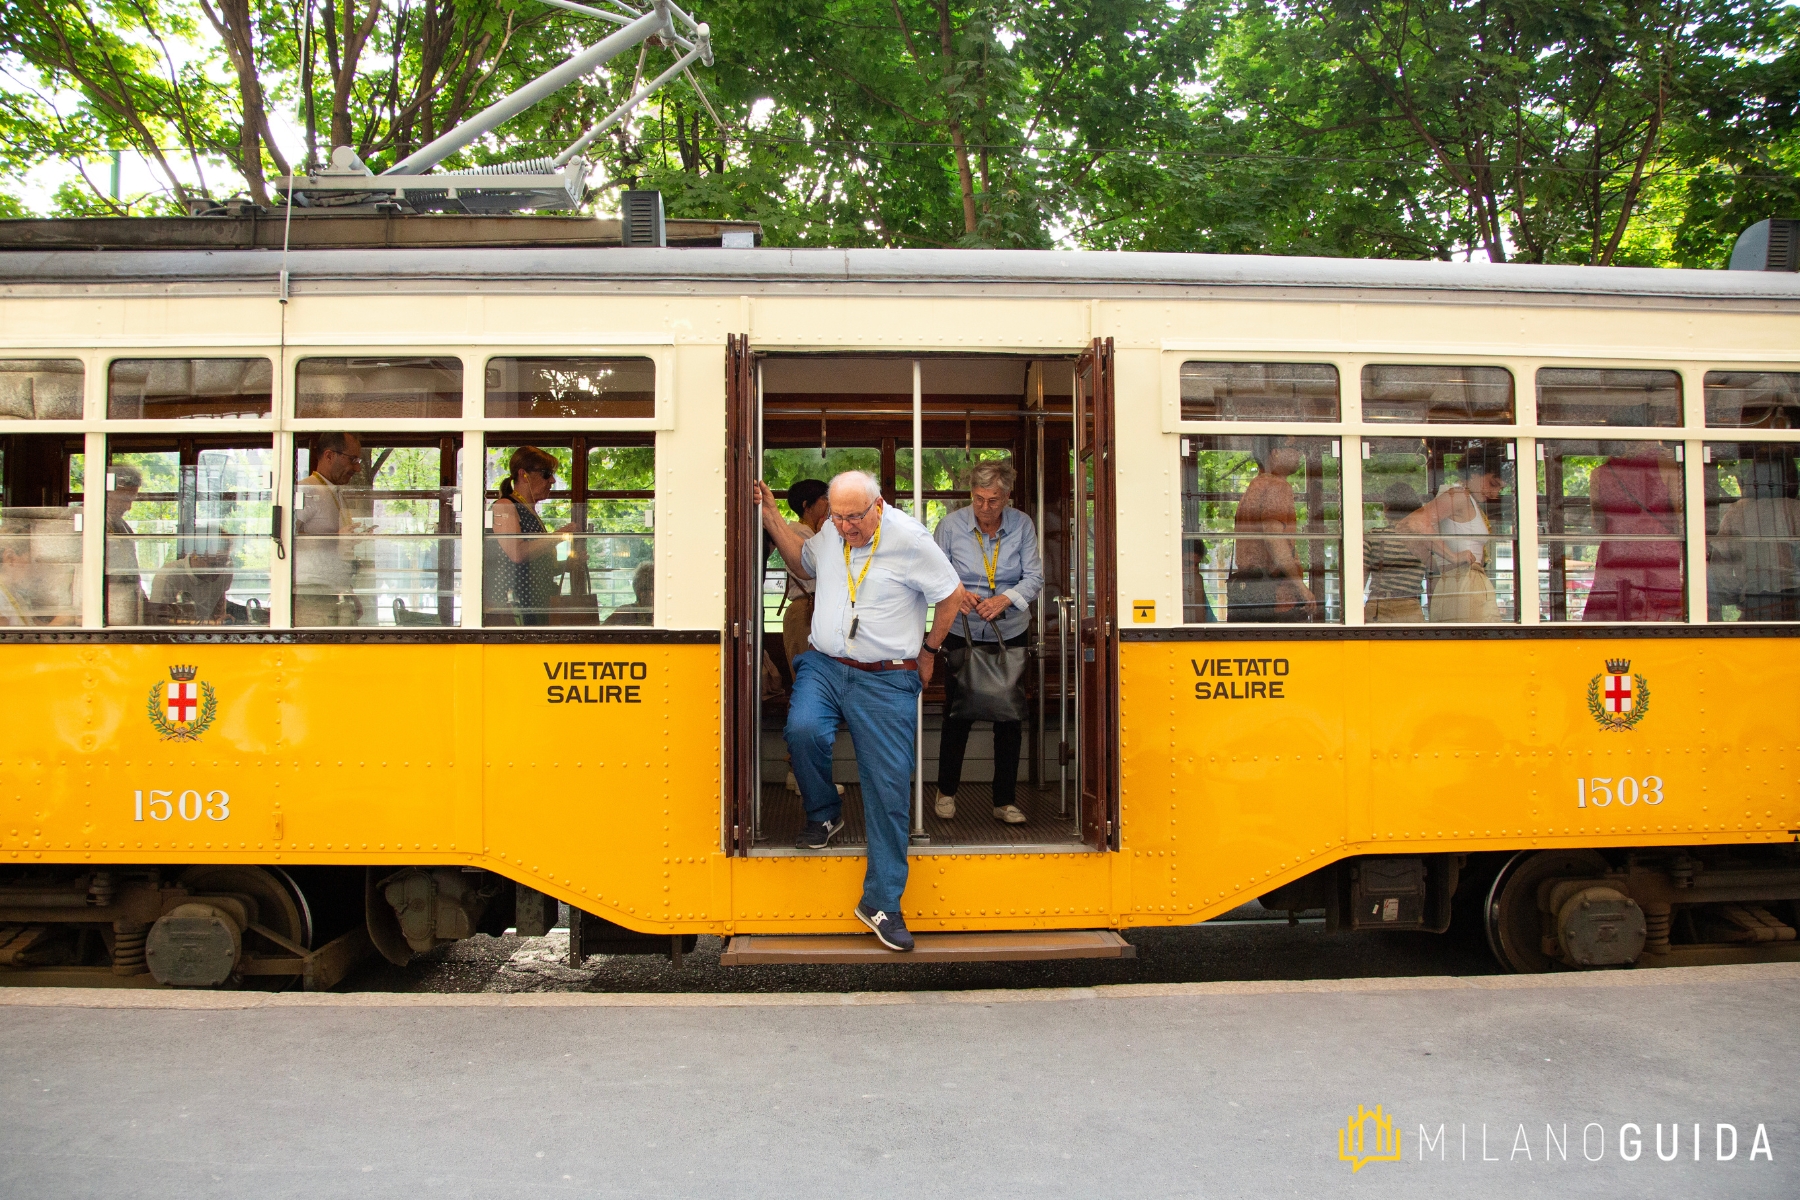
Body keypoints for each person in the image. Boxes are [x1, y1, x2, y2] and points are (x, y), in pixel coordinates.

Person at [756, 470, 965, 953]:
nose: (845, 526)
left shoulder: (910, 538)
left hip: (887, 676)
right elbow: (802, 565)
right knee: (803, 730)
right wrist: (770, 513)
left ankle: (883, 902)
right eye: (839, 516)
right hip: (826, 665)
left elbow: (951, 595)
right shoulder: (830, 529)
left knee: (888, 787)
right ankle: (825, 814)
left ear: (879, 505)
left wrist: (929, 650)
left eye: (855, 517)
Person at [930, 458, 1044, 825]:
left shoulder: (1022, 524)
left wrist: (1005, 599)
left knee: (1008, 717)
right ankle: (946, 792)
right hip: (961, 629)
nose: (984, 508)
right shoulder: (949, 526)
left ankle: (1004, 800)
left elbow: (1035, 576)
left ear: (1007, 497)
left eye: (993, 500)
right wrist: (956, 594)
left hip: (1009, 630)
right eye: (978, 499)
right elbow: (934, 573)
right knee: (957, 712)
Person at [1583, 437, 1684, 622]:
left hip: (1615, 556)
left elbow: (1598, 524)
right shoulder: (1669, 466)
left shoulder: (1599, 473)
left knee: (1614, 615)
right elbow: (1681, 518)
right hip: (1661, 555)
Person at [1229, 436, 1316, 621]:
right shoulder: (1277, 486)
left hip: (1252, 596)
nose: (1300, 453)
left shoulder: (1254, 486)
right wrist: (1302, 588)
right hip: (1278, 600)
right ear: (1275, 453)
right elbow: (1274, 539)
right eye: (1294, 447)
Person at [489, 446, 577, 626]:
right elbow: (517, 554)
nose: (552, 480)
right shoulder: (505, 506)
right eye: (546, 474)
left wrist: (566, 566)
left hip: (534, 603)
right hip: (514, 606)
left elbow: (535, 567)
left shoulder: (529, 511)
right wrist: (559, 536)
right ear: (523, 474)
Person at [1712, 445, 1800, 621]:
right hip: (1795, 600)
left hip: (1753, 601)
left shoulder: (1738, 511)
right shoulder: (1796, 510)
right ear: (1791, 477)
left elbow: (1720, 563)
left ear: (1753, 477)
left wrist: (1734, 594)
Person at [293, 432, 364, 627]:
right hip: (312, 594)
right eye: (353, 459)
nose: (357, 468)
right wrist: (336, 538)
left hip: (336, 592)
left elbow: (335, 553)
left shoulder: (334, 491)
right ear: (329, 455)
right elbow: (288, 536)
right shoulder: (306, 490)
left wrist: (349, 592)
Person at [778, 478, 830, 667]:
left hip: (814, 607)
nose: (828, 502)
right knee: (807, 669)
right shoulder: (799, 533)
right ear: (807, 506)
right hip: (805, 609)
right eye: (824, 498)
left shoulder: (811, 531)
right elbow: (824, 565)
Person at [105, 462, 146, 626]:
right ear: (106, 492)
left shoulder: (123, 527)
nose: (128, 507)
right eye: (124, 499)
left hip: (123, 610)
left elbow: (132, 575)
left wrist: (146, 604)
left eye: (132, 500)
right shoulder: (78, 522)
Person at [604, 560, 655, 626]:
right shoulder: (626, 612)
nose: (652, 594)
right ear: (639, 591)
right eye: (646, 589)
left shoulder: (625, 611)